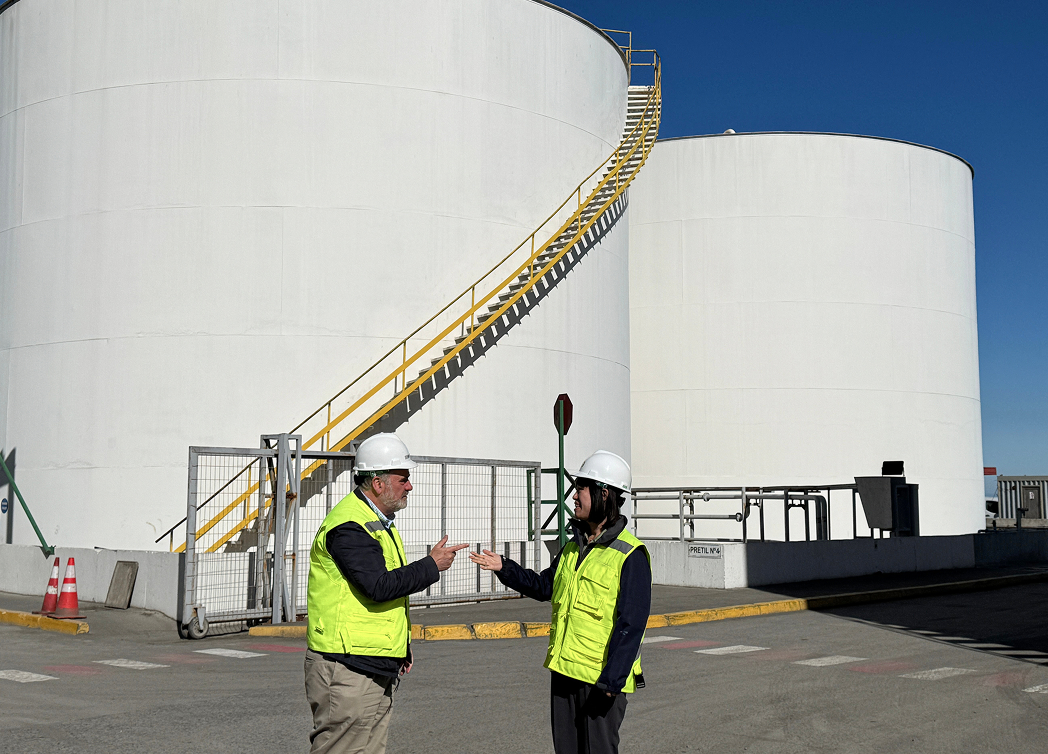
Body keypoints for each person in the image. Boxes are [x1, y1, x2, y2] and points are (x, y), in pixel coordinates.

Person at [470, 450, 651, 754]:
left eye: (581, 488)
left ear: (604, 493)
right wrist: (505, 567)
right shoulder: (573, 547)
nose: (574, 496)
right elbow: (545, 586)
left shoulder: (630, 555)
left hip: (600, 683)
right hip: (564, 673)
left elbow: (631, 624)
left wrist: (611, 684)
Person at [304, 432, 467, 754]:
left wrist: (398, 648)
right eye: (403, 478)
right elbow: (378, 587)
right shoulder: (350, 526)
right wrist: (431, 565)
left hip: (370, 661)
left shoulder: (376, 522)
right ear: (378, 483)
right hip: (348, 665)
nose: (409, 486)